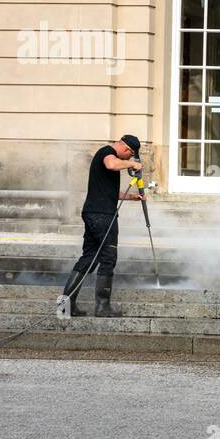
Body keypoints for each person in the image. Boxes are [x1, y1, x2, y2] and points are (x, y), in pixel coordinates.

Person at [60, 135, 145, 317]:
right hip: (103, 216)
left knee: (89, 258)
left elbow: (112, 193)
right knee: (108, 258)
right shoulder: (107, 153)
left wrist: (133, 197)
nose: (128, 159)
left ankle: (66, 306)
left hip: (93, 213)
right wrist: (132, 165)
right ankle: (102, 307)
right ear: (127, 149)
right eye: (129, 156)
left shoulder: (107, 157)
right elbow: (111, 164)